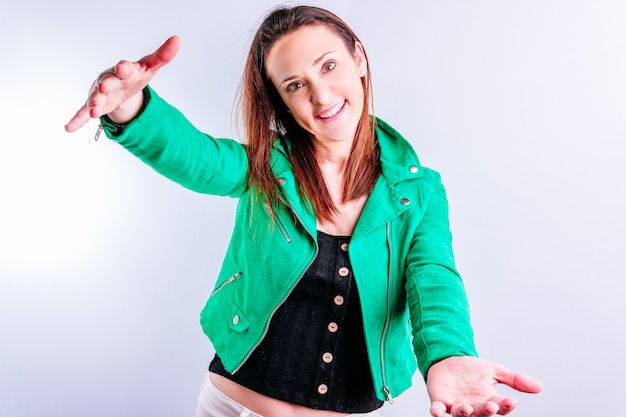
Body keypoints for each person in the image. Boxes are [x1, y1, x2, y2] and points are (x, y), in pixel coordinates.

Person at [65, 5, 543, 417]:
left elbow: (434, 279)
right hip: (231, 405)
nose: (320, 95)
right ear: (282, 101)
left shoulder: (420, 192)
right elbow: (199, 158)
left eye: (329, 66)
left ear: (359, 58)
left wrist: (448, 356)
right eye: (296, 84)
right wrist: (132, 109)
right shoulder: (266, 168)